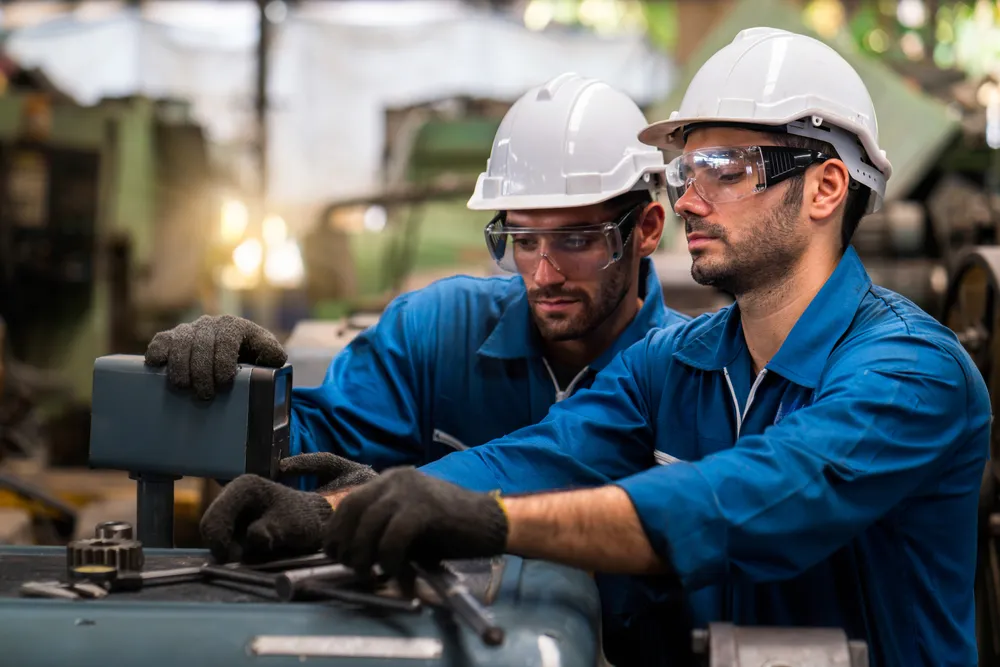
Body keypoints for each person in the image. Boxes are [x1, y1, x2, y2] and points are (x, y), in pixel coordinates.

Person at [308, 28, 990, 666]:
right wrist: (322, 511)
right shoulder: (677, 361)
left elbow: (741, 499)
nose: (690, 200)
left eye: (723, 168)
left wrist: (486, 521)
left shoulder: (911, 373)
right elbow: (535, 460)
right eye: (685, 172)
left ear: (825, 187)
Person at [146, 73, 690, 660]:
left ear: (647, 230)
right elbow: (305, 458)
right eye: (522, 239)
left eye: (575, 240)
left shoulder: (692, 375)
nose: (543, 274)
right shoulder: (436, 331)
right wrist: (248, 390)